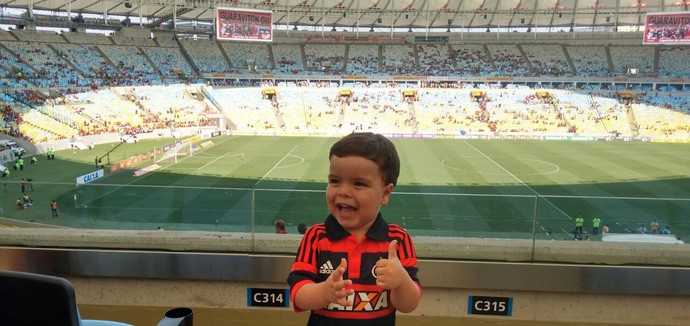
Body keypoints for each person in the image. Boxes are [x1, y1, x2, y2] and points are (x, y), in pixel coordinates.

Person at [287, 132, 421, 326]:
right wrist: (324, 292)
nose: (343, 191)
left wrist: (402, 281)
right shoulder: (316, 237)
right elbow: (298, 294)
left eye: (359, 183)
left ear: (385, 193)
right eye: (335, 181)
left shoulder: (397, 240)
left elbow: (409, 305)